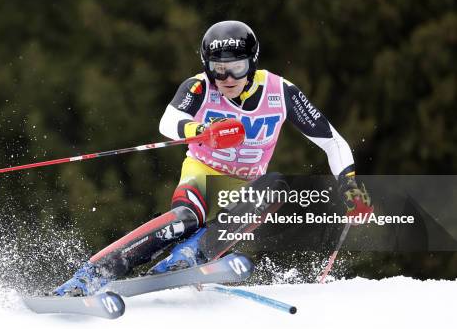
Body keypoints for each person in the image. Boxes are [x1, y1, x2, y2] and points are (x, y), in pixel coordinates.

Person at [52, 20, 372, 296]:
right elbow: (167, 121)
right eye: (218, 69)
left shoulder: (281, 91)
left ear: (252, 63)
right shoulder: (200, 87)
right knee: (183, 220)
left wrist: (349, 185)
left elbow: (333, 141)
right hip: (203, 173)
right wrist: (201, 129)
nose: (228, 78)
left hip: (245, 188)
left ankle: (193, 253)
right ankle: (91, 275)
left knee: (277, 185)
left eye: (237, 67)